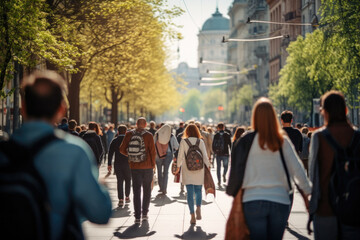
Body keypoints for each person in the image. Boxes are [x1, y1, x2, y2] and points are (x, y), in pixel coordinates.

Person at [1, 70, 112, 239]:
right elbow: (100, 213)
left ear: (23, 106)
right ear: (61, 109)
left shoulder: (3, 151)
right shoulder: (73, 151)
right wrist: (101, 185)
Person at [227, 97, 311, 240]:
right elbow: (298, 171)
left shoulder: (245, 141)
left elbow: (235, 175)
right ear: (274, 117)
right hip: (280, 201)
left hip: (252, 200)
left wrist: (234, 194)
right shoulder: (282, 140)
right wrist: (308, 193)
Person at [309, 90, 360, 240]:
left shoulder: (319, 137)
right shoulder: (357, 137)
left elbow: (313, 176)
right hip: (355, 209)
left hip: (326, 209)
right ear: (345, 110)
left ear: (324, 112)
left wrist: (312, 211)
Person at [120, 117, 156, 224]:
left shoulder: (129, 134)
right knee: (147, 190)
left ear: (136, 124)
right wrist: (153, 165)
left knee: (136, 191)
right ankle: (145, 214)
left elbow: (122, 149)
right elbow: (152, 152)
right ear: (145, 125)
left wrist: (131, 156)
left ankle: (137, 216)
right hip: (147, 166)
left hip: (134, 167)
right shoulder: (148, 135)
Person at [175, 124, 210, 225]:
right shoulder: (201, 141)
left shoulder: (183, 141)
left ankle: (192, 216)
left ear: (187, 131)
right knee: (198, 190)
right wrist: (208, 166)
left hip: (187, 169)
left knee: (189, 193)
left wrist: (177, 167)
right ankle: (198, 207)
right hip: (199, 169)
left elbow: (180, 156)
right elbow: (205, 156)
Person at [108, 125, 131, 207]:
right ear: (126, 131)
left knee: (120, 181)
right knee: (128, 180)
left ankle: (121, 199)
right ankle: (127, 196)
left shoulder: (114, 140)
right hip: (128, 163)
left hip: (118, 164)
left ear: (118, 131)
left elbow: (110, 153)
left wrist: (109, 164)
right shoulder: (129, 140)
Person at [154, 124, 179, 195]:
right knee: (165, 172)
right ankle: (164, 188)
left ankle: (161, 187)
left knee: (159, 171)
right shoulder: (171, 136)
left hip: (158, 154)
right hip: (168, 154)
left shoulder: (157, 134)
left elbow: (153, 144)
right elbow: (177, 147)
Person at [212, 122, 232, 187]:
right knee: (226, 166)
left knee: (218, 168)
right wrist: (231, 152)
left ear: (218, 128)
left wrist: (215, 151)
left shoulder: (216, 135)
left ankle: (219, 181)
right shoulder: (227, 135)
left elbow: (213, 145)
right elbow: (230, 145)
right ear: (223, 127)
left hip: (218, 154)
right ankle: (224, 174)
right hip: (226, 153)